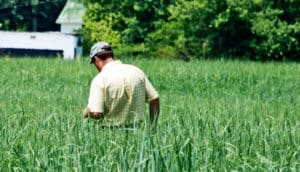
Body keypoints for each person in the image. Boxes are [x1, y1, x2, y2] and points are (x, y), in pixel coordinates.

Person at [83, 41, 160, 129]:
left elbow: (97, 114)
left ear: (96, 59)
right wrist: (153, 129)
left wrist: (87, 112)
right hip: (137, 134)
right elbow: (154, 99)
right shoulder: (136, 72)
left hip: (109, 134)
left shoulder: (100, 79)